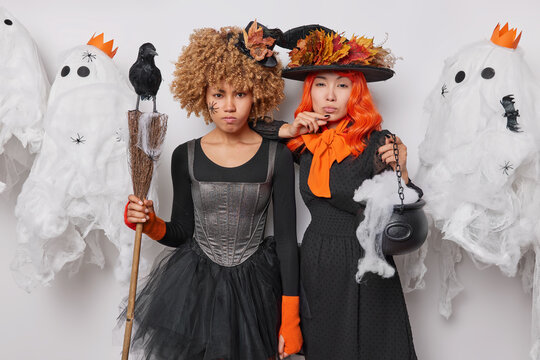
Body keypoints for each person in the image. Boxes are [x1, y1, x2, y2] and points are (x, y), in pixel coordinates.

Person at [123, 21, 302, 360]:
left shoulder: (276, 157)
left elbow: (288, 245)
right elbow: (180, 232)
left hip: (255, 292)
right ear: (203, 95)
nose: (230, 106)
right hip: (195, 289)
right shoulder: (186, 156)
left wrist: (290, 319)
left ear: (258, 92)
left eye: (240, 93)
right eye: (219, 94)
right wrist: (149, 221)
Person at [252, 25, 421, 359]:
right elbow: (251, 124)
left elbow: (407, 215)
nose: (330, 96)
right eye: (320, 85)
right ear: (309, 92)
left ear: (355, 92)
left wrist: (401, 170)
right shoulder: (304, 144)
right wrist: (288, 128)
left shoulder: (377, 141)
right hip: (317, 261)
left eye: (342, 85)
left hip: (367, 262)